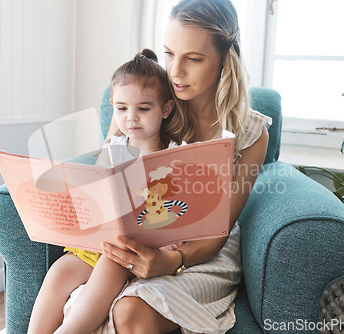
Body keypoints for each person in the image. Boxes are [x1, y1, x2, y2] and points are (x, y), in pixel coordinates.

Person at [96, 0, 272, 333]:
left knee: (131, 310)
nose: (175, 72)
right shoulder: (145, 104)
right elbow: (109, 173)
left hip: (202, 252)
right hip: (142, 232)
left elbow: (219, 229)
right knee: (75, 288)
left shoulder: (251, 133)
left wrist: (171, 262)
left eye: (193, 58)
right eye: (169, 54)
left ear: (225, 59)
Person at [27, 48, 184, 334]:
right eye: (122, 109)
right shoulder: (114, 151)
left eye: (144, 108)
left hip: (133, 251)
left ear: (166, 109)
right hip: (96, 245)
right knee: (59, 272)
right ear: (113, 107)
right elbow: (95, 194)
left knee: (111, 264)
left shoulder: (173, 156)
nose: (132, 118)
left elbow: (180, 209)